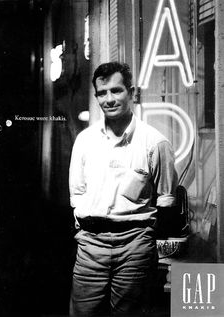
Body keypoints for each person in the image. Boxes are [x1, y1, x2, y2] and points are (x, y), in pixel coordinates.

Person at [69, 62, 178, 316]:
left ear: (132, 93)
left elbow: (166, 202)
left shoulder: (155, 142)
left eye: (116, 91)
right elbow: (77, 195)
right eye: (102, 93)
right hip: (90, 247)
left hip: (135, 247)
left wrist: (144, 244)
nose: (109, 99)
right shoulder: (85, 142)